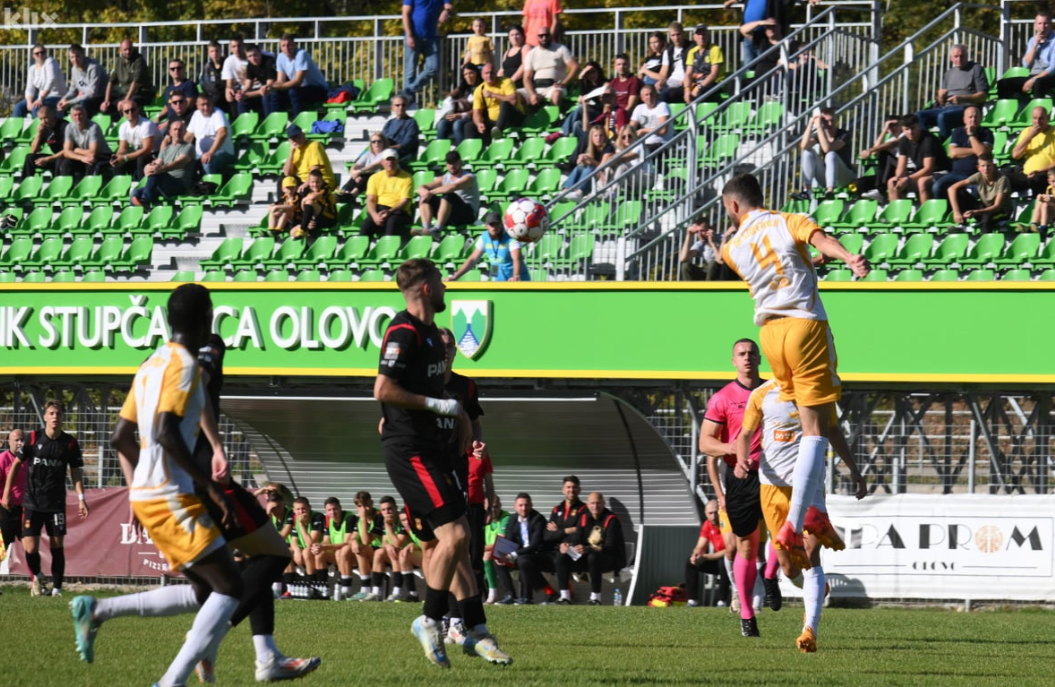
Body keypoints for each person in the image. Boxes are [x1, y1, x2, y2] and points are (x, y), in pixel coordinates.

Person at [72, 335, 321, 681]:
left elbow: (121, 437)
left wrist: (136, 494)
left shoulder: (151, 364)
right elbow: (199, 386)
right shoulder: (200, 351)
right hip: (202, 480)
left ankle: (101, 609)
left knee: (215, 587)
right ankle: (212, 646)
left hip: (163, 491)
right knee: (271, 557)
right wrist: (216, 447)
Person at [720, 173, 869, 578]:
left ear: (733, 206)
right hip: (804, 325)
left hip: (770, 334)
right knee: (815, 427)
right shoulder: (788, 220)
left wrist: (812, 263)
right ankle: (804, 515)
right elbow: (820, 240)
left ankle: (805, 514)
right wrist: (848, 257)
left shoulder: (732, 248)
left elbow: (775, 266)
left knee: (806, 423)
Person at [374, 257, 511, 666]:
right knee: (451, 537)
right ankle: (431, 619)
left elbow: (444, 397)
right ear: (426, 288)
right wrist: (444, 406)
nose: (446, 286)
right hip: (410, 451)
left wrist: (461, 415)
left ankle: (476, 631)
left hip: (436, 451)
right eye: (440, 280)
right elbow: (383, 389)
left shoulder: (434, 336)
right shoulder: (402, 331)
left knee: (460, 540)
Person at [738, 377, 867, 653]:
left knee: (811, 554)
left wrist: (854, 470)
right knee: (789, 568)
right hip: (772, 488)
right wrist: (741, 459)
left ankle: (810, 629)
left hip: (809, 487)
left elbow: (832, 430)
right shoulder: (762, 394)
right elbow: (745, 434)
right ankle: (817, 590)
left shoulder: (816, 390)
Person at [698, 339, 767, 636]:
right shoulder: (723, 398)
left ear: (760, 358)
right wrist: (733, 449)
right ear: (733, 361)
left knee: (787, 541)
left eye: (752, 353)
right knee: (745, 546)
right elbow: (705, 443)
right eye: (741, 354)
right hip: (741, 477)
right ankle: (747, 613)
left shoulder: (776, 390)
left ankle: (773, 577)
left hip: (777, 476)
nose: (747, 357)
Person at [0, 401, 87, 598]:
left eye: (58, 413)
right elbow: (16, 465)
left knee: (57, 545)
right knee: (30, 548)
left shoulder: (70, 443)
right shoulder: (32, 438)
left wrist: (81, 498)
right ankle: (38, 576)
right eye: (51, 413)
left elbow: (75, 472)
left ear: (62, 417)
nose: (55, 416)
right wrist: (6, 492)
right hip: (32, 502)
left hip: (56, 504)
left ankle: (57, 590)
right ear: (45, 416)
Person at [437, 326, 492, 598]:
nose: (446, 351)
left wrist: (477, 444)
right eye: (441, 346)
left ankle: (458, 610)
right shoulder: (420, 384)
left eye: (450, 346)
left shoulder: (466, 386)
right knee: (436, 545)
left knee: (461, 539)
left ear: (455, 352)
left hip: (457, 470)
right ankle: (438, 609)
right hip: (427, 470)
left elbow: (475, 423)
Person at [553, 492, 626, 605]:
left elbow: (610, 546)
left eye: (598, 503)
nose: (595, 506)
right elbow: (577, 539)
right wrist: (568, 545)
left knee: (593, 557)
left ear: (603, 504)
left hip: (610, 559)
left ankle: (595, 598)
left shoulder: (611, 519)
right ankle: (565, 597)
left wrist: (588, 549)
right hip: (587, 558)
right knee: (561, 556)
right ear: (587, 504)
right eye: (592, 503)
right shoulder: (584, 518)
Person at [914, 45, 988, 141]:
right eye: (956, 56)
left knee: (942, 117)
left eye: (962, 56)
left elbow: (983, 96)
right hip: (947, 108)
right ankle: (927, 143)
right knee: (919, 115)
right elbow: (942, 103)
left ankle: (944, 145)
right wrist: (940, 96)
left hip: (966, 108)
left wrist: (962, 98)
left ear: (967, 56)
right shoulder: (949, 73)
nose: (959, 59)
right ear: (951, 58)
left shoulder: (976, 69)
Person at [494, 492, 552, 605]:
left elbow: (535, 545)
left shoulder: (538, 519)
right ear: (515, 507)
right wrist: (501, 555)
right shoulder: (513, 519)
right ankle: (510, 595)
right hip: (520, 554)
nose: (524, 508)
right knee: (497, 560)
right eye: (520, 505)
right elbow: (510, 540)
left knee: (523, 560)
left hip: (538, 555)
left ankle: (526, 597)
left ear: (531, 505)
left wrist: (512, 555)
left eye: (526, 505)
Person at [931, 105, 993, 201]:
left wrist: (971, 135)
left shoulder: (986, 132)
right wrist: (975, 150)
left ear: (981, 119)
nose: (973, 119)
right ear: (964, 119)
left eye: (976, 117)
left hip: (976, 174)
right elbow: (953, 153)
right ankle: (948, 209)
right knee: (937, 187)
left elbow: (981, 153)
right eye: (970, 117)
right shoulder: (957, 131)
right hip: (956, 173)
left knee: (976, 191)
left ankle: (971, 209)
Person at [131, 119, 195, 209]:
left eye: (180, 130)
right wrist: (148, 167)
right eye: (175, 129)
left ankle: (146, 201)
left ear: (184, 132)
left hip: (179, 184)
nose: (177, 132)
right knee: (135, 193)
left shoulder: (188, 147)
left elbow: (179, 162)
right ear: (170, 132)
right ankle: (142, 210)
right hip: (164, 184)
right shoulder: (166, 149)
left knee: (156, 173)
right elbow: (158, 162)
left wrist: (161, 169)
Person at [887, 113, 950, 203]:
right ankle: (896, 211)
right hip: (921, 173)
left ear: (919, 126)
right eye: (906, 129)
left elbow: (928, 168)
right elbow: (901, 167)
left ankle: (925, 211)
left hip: (941, 172)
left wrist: (907, 179)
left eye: (913, 128)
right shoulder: (904, 141)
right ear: (903, 129)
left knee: (922, 182)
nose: (910, 132)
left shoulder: (929, 139)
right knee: (892, 182)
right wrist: (898, 178)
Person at [401, 0, 454, 105]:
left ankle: (408, 91)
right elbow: (405, 13)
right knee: (410, 71)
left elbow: (450, 7)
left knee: (433, 67)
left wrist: (446, 11)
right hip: (414, 35)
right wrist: (410, 35)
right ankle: (407, 102)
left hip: (431, 37)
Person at [451, 211, 529, 281]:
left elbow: (517, 258)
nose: (494, 227)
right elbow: (473, 259)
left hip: (518, 280)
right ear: (486, 226)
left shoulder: (511, 236)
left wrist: (516, 276)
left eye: (497, 224)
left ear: (501, 224)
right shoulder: (484, 238)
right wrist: (455, 276)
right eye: (492, 224)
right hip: (499, 280)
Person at [416, 150, 480, 235]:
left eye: (455, 163)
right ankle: (426, 229)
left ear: (461, 163)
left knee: (448, 195)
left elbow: (453, 187)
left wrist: (430, 193)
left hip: (467, 215)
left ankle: (437, 229)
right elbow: (421, 188)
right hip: (450, 215)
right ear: (446, 165)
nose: (452, 166)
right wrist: (425, 194)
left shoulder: (469, 177)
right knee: (425, 197)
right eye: (450, 163)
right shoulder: (445, 178)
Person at [796, 107, 854, 198]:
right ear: (822, 121)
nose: (830, 124)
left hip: (846, 177)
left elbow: (827, 149)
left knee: (830, 154)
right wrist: (811, 123)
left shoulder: (844, 134)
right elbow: (803, 145)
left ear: (836, 119)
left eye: (832, 120)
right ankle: (807, 190)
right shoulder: (820, 134)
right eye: (826, 121)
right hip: (827, 177)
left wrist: (819, 127)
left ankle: (830, 191)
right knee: (807, 152)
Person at [997, 11, 1055, 100]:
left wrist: (1033, 80)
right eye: (1039, 23)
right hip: (1034, 75)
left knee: (1038, 83)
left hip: (1050, 76)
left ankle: (1039, 108)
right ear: (1035, 26)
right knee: (1003, 83)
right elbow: (1026, 64)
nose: (1042, 27)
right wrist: (1035, 45)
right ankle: (1008, 106)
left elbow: (1053, 68)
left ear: (1051, 25)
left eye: (1045, 23)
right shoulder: (1032, 40)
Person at [361, 148, 414, 242]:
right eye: (387, 160)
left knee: (392, 222)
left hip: (398, 212)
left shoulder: (407, 178)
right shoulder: (374, 178)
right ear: (382, 162)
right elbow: (370, 199)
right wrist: (375, 216)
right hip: (379, 210)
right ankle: (362, 250)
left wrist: (390, 212)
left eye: (393, 159)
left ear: (397, 161)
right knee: (366, 224)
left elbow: (405, 200)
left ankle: (387, 249)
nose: (390, 162)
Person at [948, 153, 1011, 231]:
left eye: (989, 165)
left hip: (1001, 212)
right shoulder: (978, 176)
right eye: (983, 166)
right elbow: (951, 188)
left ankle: (985, 237)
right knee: (960, 192)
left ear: (994, 166)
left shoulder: (1002, 179)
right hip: (985, 209)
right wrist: (956, 212)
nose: (986, 169)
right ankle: (962, 225)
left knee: (987, 219)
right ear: (978, 168)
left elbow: (997, 206)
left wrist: (976, 212)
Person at [685, 499, 730, 606]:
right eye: (710, 513)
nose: (713, 517)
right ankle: (692, 600)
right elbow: (700, 546)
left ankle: (722, 601)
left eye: (716, 512)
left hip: (732, 562)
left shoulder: (727, 523)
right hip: (717, 561)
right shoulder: (707, 524)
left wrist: (705, 557)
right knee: (690, 562)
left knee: (724, 561)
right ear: (705, 513)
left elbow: (730, 550)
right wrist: (696, 556)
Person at [271, 34, 328, 116]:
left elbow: (298, 81)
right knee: (274, 94)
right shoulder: (280, 57)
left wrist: (275, 87)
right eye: (283, 46)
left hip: (319, 90)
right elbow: (280, 81)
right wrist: (269, 87)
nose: (286, 48)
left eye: (289, 45)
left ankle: (298, 121)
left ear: (295, 44)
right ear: (280, 47)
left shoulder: (302, 54)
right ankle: (274, 121)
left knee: (293, 92)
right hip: (300, 90)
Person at [468, 62, 523, 144]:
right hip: (494, 121)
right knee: (469, 126)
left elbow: (513, 100)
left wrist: (493, 95)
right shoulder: (479, 90)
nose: (489, 75)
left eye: (491, 72)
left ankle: (498, 131)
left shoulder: (506, 82)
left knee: (505, 104)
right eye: (486, 73)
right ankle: (473, 150)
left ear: (496, 73)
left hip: (513, 118)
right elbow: (476, 112)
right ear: (482, 75)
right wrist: (479, 123)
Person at [522, 27, 577, 108]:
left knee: (556, 95)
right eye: (541, 36)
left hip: (554, 87)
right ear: (537, 37)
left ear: (550, 36)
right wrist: (532, 94)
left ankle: (557, 116)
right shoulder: (531, 54)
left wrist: (564, 83)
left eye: (546, 35)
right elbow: (527, 78)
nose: (544, 38)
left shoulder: (561, 49)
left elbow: (575, 67)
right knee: (515, 96)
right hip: (536, 88)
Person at [56, 104, 111, 181]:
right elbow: (66, 152)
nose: (78, 117)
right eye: (75, 115)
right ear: (71, 117)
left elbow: (93, 153)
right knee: (66, 162)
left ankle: (89, 186)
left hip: (102, 155)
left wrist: (76, 150)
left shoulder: (93, 127)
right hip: (84, 156)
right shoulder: (69, 127)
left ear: (86, 115)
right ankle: (65, 186)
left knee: (91, 162)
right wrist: (81, 158)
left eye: (80, 114)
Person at [348, 491, 385, 600]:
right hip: (371, 551)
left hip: (383, 550)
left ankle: (370, 590)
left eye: (366, 505)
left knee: (362, 549)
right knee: (353, 549)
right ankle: (363, 590)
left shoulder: (379, 516)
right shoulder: (359, 519)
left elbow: (366, 541)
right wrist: (353, 541)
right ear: (357, 507)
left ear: (371, 503)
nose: (364, 509)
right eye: (360, 506)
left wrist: (363, 518)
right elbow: (353, 537)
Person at [187, 93, 236, 176]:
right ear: (197, 105)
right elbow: (188, 136)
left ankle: (210, 184)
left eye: (208, 104)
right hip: (200, 154)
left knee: (207, 161)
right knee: (186, 162)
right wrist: (179, 150)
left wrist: (210, 153)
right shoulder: (196, 115)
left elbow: (222, 133)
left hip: (223, 153)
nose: (206, 107)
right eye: (203, 105)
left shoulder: (218, 113)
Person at [1010, 105, 1055, 195]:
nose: (1037, 122)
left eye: (1041, 118)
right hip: (1026, 173)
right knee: (1004, 179)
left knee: (1036, 180)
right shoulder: (1027, 131)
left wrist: (1040, 171)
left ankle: (1038, 202)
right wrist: (1030, 136)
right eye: (1035, 118)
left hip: (1046, 173)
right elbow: (1015, 155)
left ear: (1048, 118)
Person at [101, 39, 154, 115]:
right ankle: (116, 121)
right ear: (121, 50)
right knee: (108, 108)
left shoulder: (139, 61)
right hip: (125, 94)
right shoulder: (119, 61)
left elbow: (135, 83)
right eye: (125, 50)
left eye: (129, 49)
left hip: (141, 94)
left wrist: (125, 101)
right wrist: (106, 101)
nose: (128, 52)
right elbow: (111, 82)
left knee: (128, 107)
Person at [562, 123, 614, 199]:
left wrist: (590, 160)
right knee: (580, 167)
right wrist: (582, 160)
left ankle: (580, 192)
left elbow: (603, 165)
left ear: (604, 137)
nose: (598, 138)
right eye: (595, 136)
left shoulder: (608, 148)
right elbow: (586, 163)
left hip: (604, 174)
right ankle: (566, 190)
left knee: (591, 168)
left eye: (601, 136)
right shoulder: (591, 148)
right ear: (591, 137)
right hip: (594, 174)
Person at [282, 123, 337, 193]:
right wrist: (291, 152)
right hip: (304, 181)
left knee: (303, 191)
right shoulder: (295, 150)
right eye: (293, 138)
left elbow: (315, 169)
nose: (296, 140)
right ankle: (284, 199)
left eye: (298, 137)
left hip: (320, 181)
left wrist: (305, 184)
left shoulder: (314, 145)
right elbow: (287, 173)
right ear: (289, 140)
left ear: (303, 135)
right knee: (283, 180)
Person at [15, 44, 66, 118]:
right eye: (37, 53)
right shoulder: (32, 69)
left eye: (42, 52)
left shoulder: (50, 62)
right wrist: (29, 102)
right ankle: (16, 125)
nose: (40, 55)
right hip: (42, 97)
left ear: (46, 53)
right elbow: (30, 88)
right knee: (19, 107)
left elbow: (51, 80)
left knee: (36, 107)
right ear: (33, 55)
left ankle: (41, 125)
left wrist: (40, 99)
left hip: (57, 96)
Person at [858, 116, 903, 198]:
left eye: (896, 124)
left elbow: (891, 144)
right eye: (890, 125)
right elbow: (875, 153)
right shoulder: (890, 138)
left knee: (884, 154)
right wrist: (884, 130)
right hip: (890, 171)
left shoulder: (905, 135)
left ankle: (879, 190)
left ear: (901, 125)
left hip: (903, 169)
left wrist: (869, 150)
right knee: (861, 182)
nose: (894, 127)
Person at [112, 101, 158, 181]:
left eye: (132, 110)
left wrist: (125, 158)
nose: (130, 113)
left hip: (155, 154)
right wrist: (118, 157)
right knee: (117, 162)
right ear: (123, 113)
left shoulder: (146, 124)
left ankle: (142, 184)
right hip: (139, 154)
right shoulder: (123, 127)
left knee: (141, 158)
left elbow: (147, 149)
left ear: (137, 110)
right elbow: (123, 148)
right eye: (127, 111)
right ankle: (119, 184)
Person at [437, 64, 482, 146]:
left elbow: (479, 109)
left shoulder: (481, 88)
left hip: (472, 117)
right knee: (442, 124)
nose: (468, 76)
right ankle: (439, 150)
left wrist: (461, 115)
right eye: (465, 74)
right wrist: (450, 99)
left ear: (476, 73)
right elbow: (448, 97)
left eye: (471, 73)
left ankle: (461, 151)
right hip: (457, 115)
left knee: (457, 124)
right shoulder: (462, 87)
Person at [57, 44, 107, 117]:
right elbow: (73, 91)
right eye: (72, 57)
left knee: (83, 105)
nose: (75, 59)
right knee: (60, 107)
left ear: (83, 55)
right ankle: (63, 124)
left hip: (102, 97)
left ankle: (85, 124)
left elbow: (92, 93)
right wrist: (64, 99)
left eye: (78, 56)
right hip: (87, 98)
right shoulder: (74, 69)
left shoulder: (94, 68)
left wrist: (70, 102)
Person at [288, 496, 325, 595]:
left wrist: (301, 524)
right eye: (298, 509)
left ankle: (312, 585)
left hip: (319, 550)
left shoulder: (317, 517)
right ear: (294, 510)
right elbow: (293, 541)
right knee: (286, 551)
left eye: (303, 508)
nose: (301, 511)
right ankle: (288, 588)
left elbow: (310, 544)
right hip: (307, 551)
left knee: (306, 552)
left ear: (309, 507)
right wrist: (297, 551)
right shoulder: (295, 518)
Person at [339, 132, 390, 201]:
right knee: (360, 175)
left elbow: (373, 166)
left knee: (368, 175)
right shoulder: (368, 154)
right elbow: (355, 166)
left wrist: (359, 172)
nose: (376, 143)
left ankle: (352, 194)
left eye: (379, 141)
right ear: (371, 144)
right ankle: (346, 193)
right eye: (374, 142)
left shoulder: (387, 153)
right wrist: (355, 174)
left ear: (384, 142)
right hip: (368, 177)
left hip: (383, 179)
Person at [291, 168, 337, 239]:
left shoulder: (325, 189)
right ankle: (305, 229)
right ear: (309, 183)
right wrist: (310, 220)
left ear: (322, 182)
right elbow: (305, 209)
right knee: (292, 232)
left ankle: (303, 229)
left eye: (317, 182)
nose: (315, 184)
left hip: (330, 219)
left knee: (309, 201)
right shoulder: (310, 192)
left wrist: (303, 200)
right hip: (318, 219)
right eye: (312, 182)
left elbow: (313, 198)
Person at [23, 106, 68, 178]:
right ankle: (25, 182)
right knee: (30, 158)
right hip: (54, 158)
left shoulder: (64, 126)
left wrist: (47, 159)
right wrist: (39, 133)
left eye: (45, 118)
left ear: (52, 115)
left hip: (65, 157)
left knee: (60, 160)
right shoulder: (45, 128)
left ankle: (56, 183)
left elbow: (67, 150)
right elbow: (33, 150)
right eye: (41, 119)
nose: (43, 121)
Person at [0, 429, 25, 555]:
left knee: (30, 546)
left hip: (25, 509)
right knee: (3, 548)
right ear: (9, 442)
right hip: (6, 509)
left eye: (22, 440)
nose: (20, 443)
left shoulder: (29, 459)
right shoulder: (3, 459)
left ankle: (33, 568)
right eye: (16, 440)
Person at [482, 496, 511, 603]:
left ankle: (492, 594)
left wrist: (479, 548)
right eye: (490, 508)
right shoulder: (483, 518)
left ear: (500, 506)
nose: (493, 510)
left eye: (496, 507)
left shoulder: (505, 517)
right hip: (488, 551)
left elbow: (501, 542)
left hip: (507, 549)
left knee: (487, 556)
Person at [684, 25, 724, 103]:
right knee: (669, 93)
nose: (701, 37)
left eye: (704, 34)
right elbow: (688, 74)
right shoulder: (692, 52)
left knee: (699, 94)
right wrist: (687, 89)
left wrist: (698, 87)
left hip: (713, 83)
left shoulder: (715, 49)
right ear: (694, 37)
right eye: (698, 34)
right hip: (696, 83)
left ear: (708, 35)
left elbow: (714, 74)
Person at [155, 59, 198, 129]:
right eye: (173, 69)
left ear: (184, 69)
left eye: (179, 68)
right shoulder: (168, 88)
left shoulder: (189, 85)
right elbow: (167, 107)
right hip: (169, 121)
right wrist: (158, 118)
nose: (176, 71)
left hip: (182, 122)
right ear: (169, 72)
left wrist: (168, 122)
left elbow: (186, 108)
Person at [239, 44, 280, 117]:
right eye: (250, 56)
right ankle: (243, 123)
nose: (253, 58)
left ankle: (270, 121)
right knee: (241, 100)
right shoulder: (250, 65)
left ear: (260, 53)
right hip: (263, 90)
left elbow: (269, 85)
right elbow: (248, 85)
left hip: (277, 90)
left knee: (267, 95)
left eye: (255, 55)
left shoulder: (269, 61)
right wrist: (241, 93)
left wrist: (247, 95)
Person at [629, 83, 672, 153]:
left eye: (651, 94)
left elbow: (663, 130)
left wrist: (643, 131)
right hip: (645, 144)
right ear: (642, 98)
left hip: (662, 144)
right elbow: (630, 129)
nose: (649, 97)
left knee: (638, 152)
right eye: (646, 95)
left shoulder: (662, 106)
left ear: (656, 95)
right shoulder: (639, 108)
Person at [382, 94, 421, 164]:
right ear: (392, 107)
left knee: (385, 156)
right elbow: (383, 139)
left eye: (403, 105)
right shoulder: (389, 123)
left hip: (403, 153)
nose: (401, 107)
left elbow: (406, 144)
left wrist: (389, 148)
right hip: (388, 151)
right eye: (397, 105)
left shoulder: (411, 122)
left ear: (407, 107)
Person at [657, 22, 689, 104]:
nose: (676, 38)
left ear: (683, 33)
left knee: (666, 93)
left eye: (678, 34)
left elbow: (694, 68)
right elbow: (663, 73)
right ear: (670, 36)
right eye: (673, 35)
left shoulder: (691, 48)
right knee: (649, 92)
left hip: (684, 83)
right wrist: (660, 82)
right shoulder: (668, 51)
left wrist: (687, 79)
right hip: (671, 82)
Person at [198, 40, 227, 113]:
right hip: (211, 96)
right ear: (208, 53)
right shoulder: (207, 67)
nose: (215, 53)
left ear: (220, 51)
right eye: (212, 51)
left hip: (225, 95)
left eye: (217, 51)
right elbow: (203, 83)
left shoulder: (227, 64)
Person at [221, 36, 249, 113]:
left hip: (255, 89)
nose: (237, 49)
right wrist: (228, 90)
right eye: (234, 46)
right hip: (240, 91)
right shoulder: (229, 61)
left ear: (244, 46)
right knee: (230, 95)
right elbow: (229, 84)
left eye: (239, 46)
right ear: (230, 48)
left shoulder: (252, 57)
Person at [1030, 168, 1055, 233]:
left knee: (1045, 205)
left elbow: (1051, 200)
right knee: (1041, 202)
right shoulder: (1049, 188)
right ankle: (1033, 224)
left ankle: (1043, 228)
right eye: (1053, 181)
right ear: (1049, 181)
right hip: (1052, 211)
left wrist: (1051, 199)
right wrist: (1041, 197)